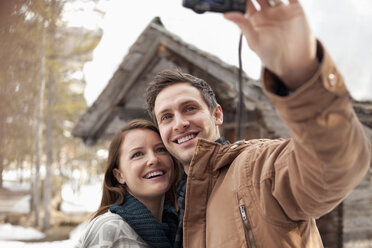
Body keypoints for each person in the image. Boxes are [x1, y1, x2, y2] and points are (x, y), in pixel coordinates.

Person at [145, 0, 371, 247]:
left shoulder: (256, 167)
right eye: (166, 117)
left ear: (217, 115)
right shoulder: (167, 208)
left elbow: (333, 165)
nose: (179, 123)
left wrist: (300, 71)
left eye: (190, 108)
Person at [74, 119, 180, 248]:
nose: (153, 159)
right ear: (120, 175)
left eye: (160, 149)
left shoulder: (178, 229)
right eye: (138, 154)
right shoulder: (110, 229)